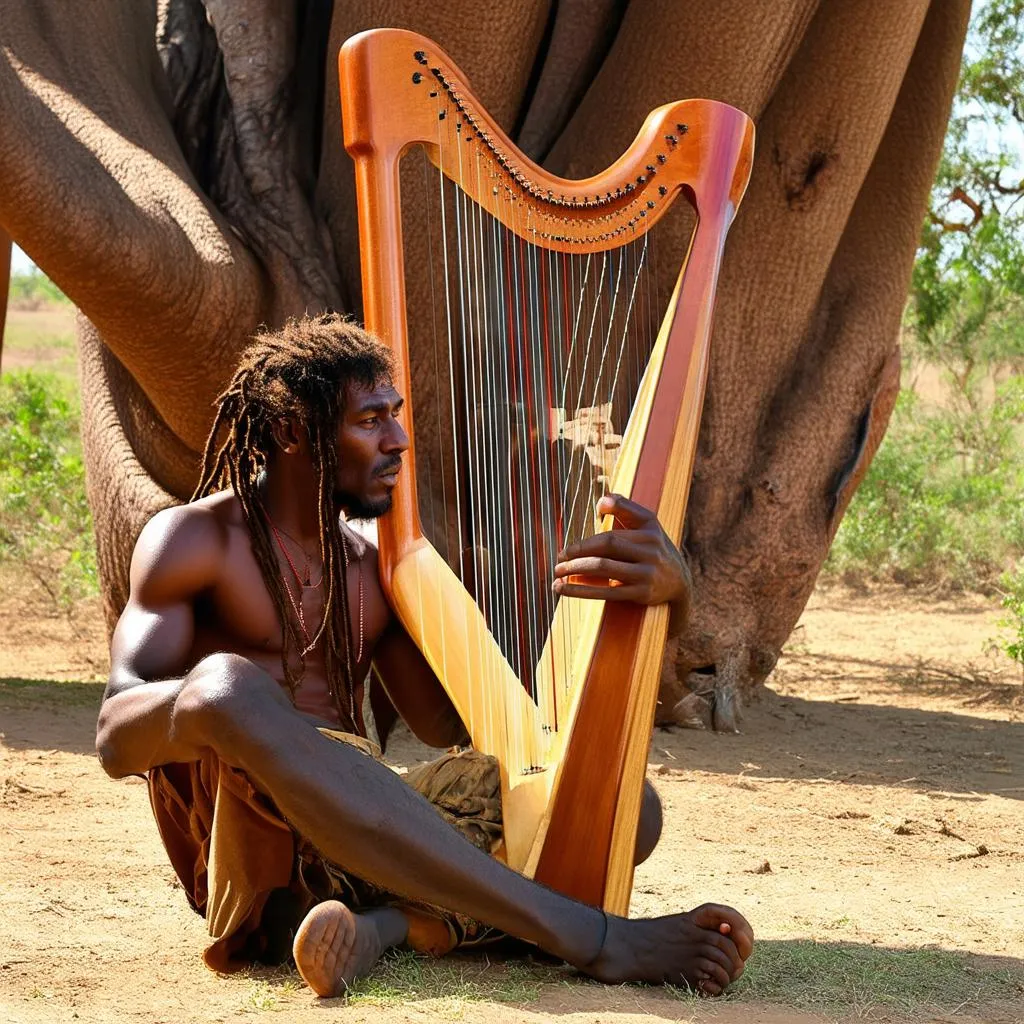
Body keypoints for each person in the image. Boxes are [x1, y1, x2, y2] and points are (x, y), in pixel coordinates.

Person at [95, 314, 753, 998]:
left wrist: (663, 605)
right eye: (370, 420)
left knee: (622, 809)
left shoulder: (374, 569)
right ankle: (589, 935)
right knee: (227, 687)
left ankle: (388, 928)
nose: (398, 440)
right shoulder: (196, 541)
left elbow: (458, 729)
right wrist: (210, 702)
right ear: (294, 433)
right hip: (248, 848)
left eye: (396, 416)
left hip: (365, 831)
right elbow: (116, 736)